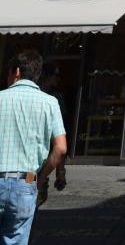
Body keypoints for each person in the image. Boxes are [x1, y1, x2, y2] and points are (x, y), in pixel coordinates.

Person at [0, 48, 66, 244]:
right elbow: (61, 148)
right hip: (26, 181)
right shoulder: (50, 103)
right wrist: (41, 177)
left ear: (16, 72)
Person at [38, 64, 68, 196]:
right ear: (47, 76)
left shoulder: (56, 97)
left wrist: (60, 171)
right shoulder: (53, 99)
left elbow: (60, 136)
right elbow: (61, 143)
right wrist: (60, 172)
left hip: (42, 160)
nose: (58, 79)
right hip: (37, 161)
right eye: (56, 75)